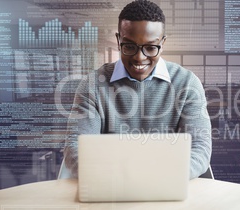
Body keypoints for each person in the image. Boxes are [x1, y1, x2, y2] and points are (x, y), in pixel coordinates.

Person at [63, 0, 212, 179]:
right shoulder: (93, 85)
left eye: (150, 47)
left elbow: (199, 149)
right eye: (129, 46)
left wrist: (158, 178)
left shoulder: (187, 84)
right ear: (119, 41)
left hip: (166, 185)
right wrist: (119, 179)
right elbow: (76, 148)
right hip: (110, 189)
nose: (139, 58)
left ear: (162, 43)